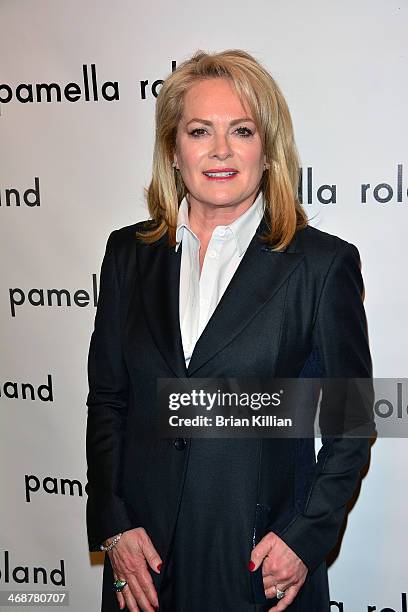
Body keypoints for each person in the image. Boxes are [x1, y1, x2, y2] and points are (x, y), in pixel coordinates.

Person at [85, 49, 374, 612]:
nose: (220, 151)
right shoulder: (127, 254)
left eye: (241, 131)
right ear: (173, 150)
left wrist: (303, 539)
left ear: (268, 151)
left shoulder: (320, 265)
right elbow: (108, 402)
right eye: (199, 131)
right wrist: (115, 527)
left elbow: (354, 418)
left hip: (259, 569)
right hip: (144, 570)